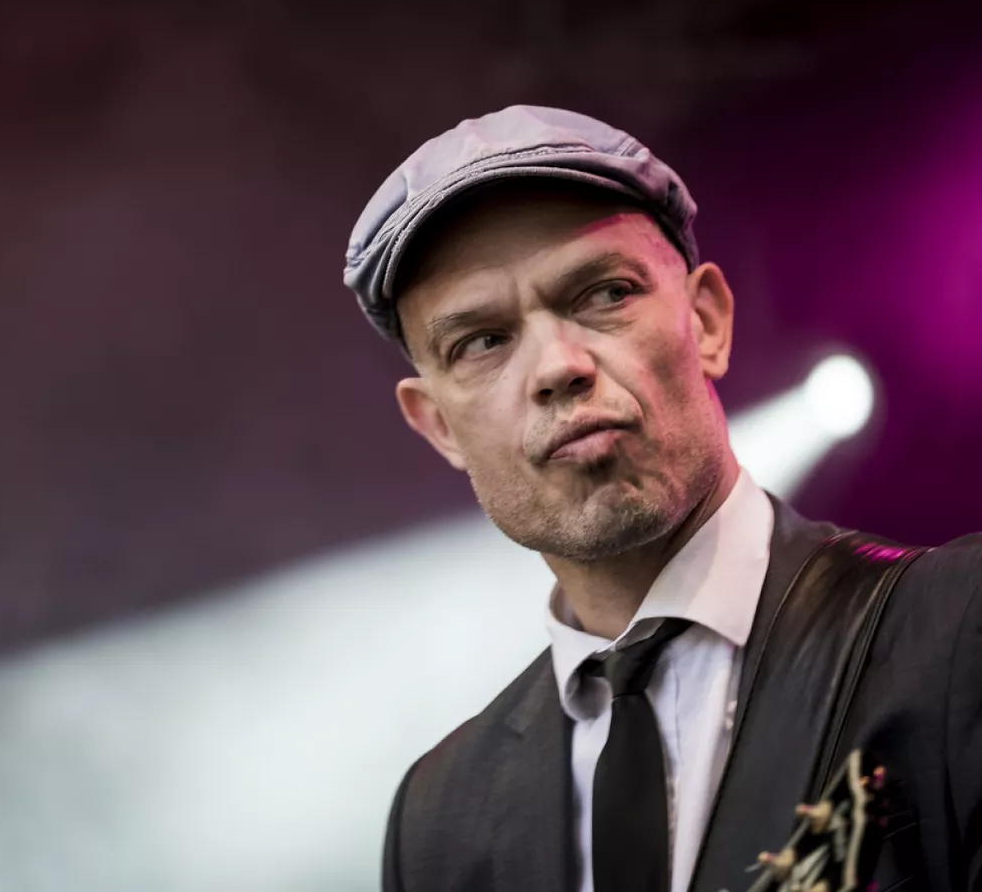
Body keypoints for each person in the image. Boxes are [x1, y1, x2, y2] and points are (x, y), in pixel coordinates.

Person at [342, 105, 982, 892]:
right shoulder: (438, 819)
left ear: (706, 321)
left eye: (604, 293)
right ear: (438, 424)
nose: (557, 366)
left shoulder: (959, 628)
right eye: (481, 341)